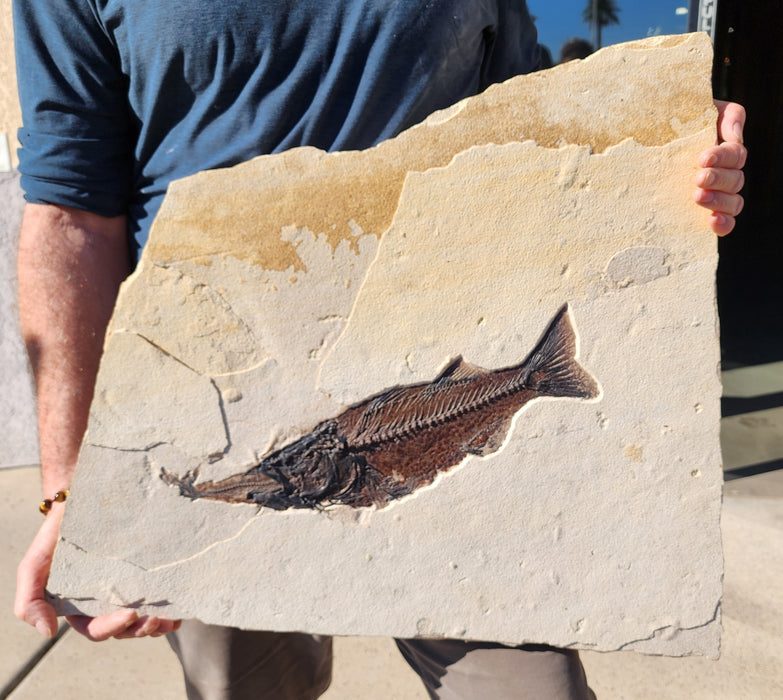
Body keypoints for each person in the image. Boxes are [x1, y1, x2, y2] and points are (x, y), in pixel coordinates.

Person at [13, 1, 746, 698]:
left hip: (440, 340)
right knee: (251, 689)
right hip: (213, 396)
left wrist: (663, 150)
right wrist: (72, 488)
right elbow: (69, 211)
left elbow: (531, 126)